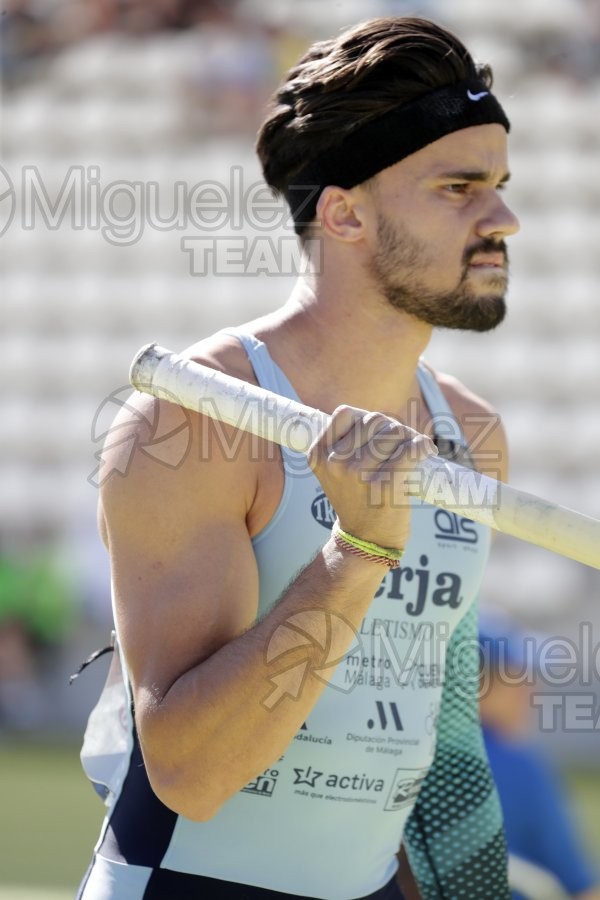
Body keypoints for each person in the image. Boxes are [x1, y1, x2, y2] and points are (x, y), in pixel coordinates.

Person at [76, 16, 521, 899]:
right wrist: (358, 554)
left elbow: (432, 735)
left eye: (501, 184)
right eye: (459, 187)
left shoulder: (475, 438)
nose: (503, 217)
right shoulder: (193, 420)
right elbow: (192, 776)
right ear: (345, 211)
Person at [479, 616, 600, 900]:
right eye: (516, 680)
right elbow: (582, 888)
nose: (531, 693)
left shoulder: (409, 754)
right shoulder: (517, 766)